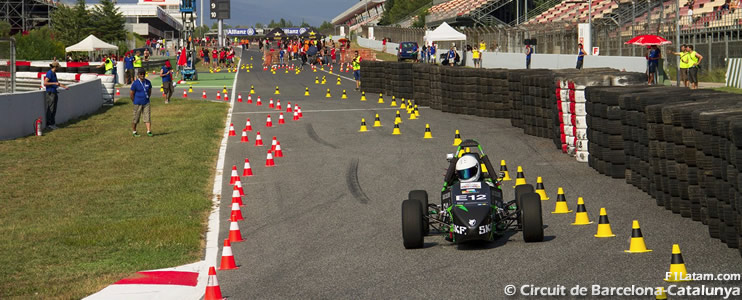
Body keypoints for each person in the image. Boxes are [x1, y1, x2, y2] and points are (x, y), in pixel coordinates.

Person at [43, 62, 68, 130]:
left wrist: (64, 86)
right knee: (51, 108)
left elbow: (57, 83)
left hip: (54, 92)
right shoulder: (49, 73)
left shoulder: (54, 73)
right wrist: (54, 83)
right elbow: (45, 83)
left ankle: (52, 123)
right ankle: (49, 124)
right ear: (55, 67)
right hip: (50, 92)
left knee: (54, 108)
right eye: (58, 67)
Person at [131, 71, 153, 137]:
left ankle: (149, 131)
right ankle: (134, 131)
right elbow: (131, 93)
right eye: (141, 74)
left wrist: (147, 98)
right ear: (138, 75)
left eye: (143, 74)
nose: (142, 75)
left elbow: (149, 91)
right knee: (136, 118)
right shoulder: (135, 83)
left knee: (147, 116)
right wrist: (134, 100)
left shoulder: (148, 82)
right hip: (137, 103)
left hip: (146, 102)